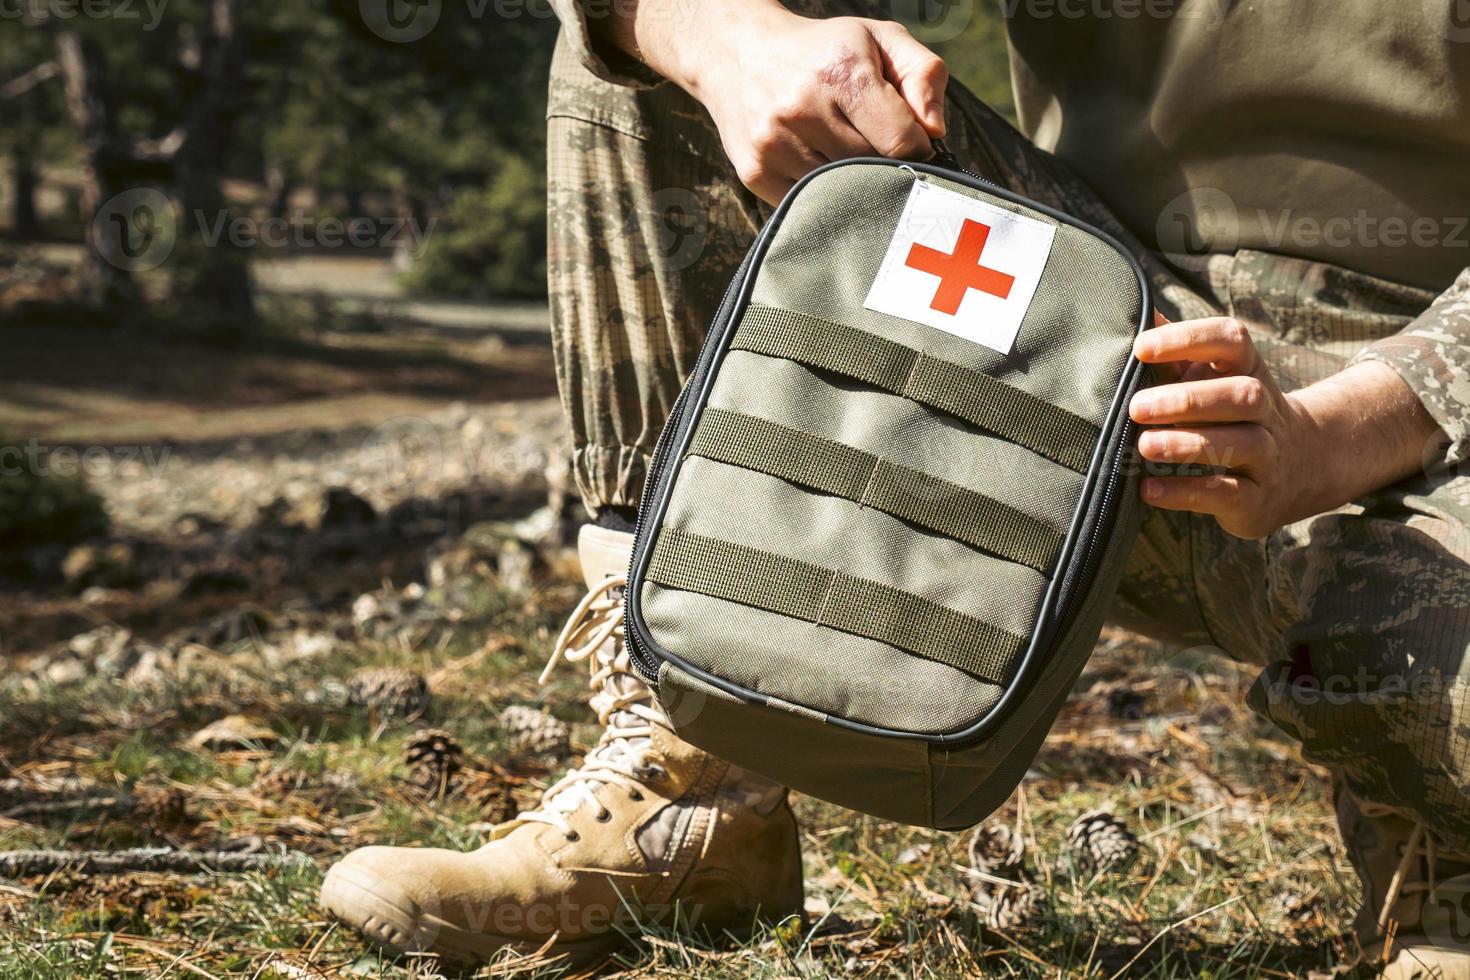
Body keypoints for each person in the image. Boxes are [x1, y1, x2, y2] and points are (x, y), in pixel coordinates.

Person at [320, 0, 1470, 974]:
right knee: (653, 43)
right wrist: (729, 44)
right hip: (1081, 343)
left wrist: (1345, 429)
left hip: (1424, 431)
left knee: (1422, 664)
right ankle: (692, 781)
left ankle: (1434, 819)